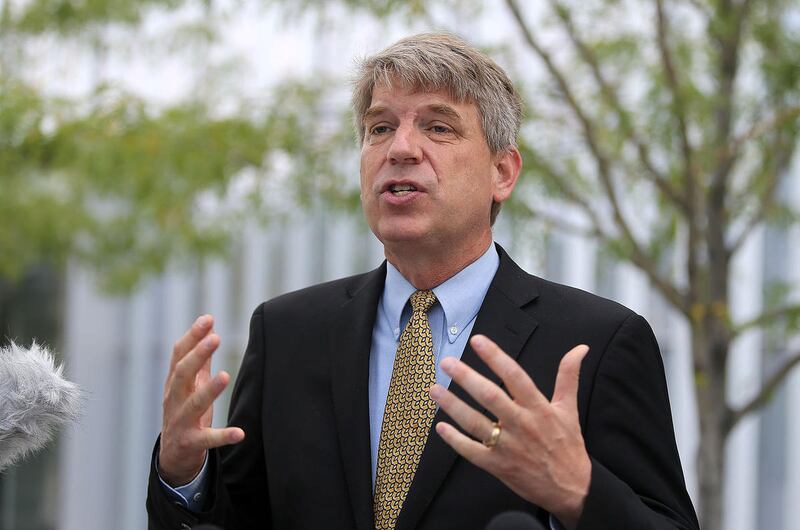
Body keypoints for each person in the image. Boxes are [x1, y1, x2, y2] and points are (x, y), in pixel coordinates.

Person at [147, 32, 699, 530]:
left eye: (438, 127)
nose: (400, 149)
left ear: (502, 173)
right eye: (379, 128)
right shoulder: (287, 332)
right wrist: (183, 472)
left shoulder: (596, 343)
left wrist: (581, 493)